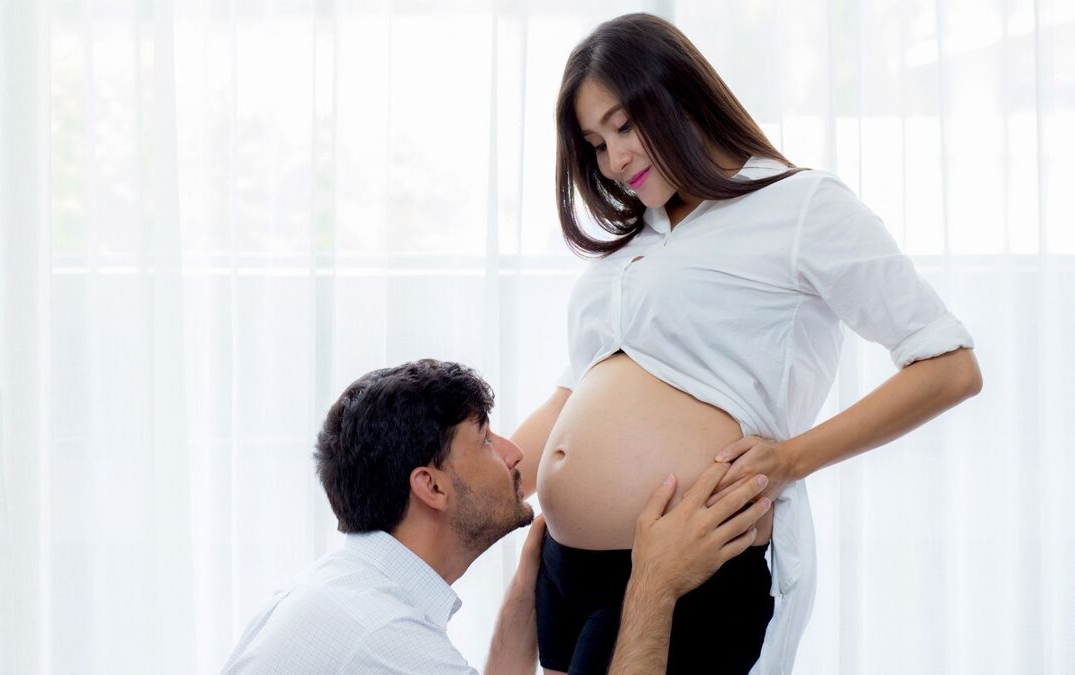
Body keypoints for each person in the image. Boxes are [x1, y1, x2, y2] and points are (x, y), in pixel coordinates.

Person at [509, 13, 984, 675]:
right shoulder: (632, 245)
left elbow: (949, 366)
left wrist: (788, 459)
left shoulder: (800, 205)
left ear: (681, 97)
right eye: (594, 143)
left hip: (690, 561)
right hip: (564, 569)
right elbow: (572, 393)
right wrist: (480, 477)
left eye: (623, 125)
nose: (614, 161)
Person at [219, 359, 774, 674]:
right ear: (430, 486)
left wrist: (519, 603)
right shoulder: (387, 641)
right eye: (485, 439)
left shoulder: (341, 595)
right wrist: (656, 584)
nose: (514, 453)